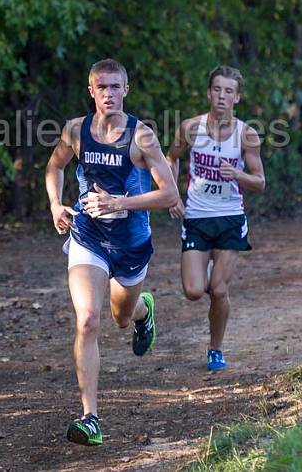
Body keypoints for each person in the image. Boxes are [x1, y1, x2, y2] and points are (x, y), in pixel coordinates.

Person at [45, 58, 179, 446]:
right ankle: (91, 417)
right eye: (101, 87)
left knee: (122, 317)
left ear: (126, 90)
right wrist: (56, 204)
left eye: (115, 87)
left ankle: (143, 310)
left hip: (131, 243)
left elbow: (169, 194)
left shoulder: (142, 137)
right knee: (88, 321)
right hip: (88, 237)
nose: (109, 94)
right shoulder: (75, 131)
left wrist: (122, 202)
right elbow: (53, 167)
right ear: (92, 92)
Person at [167, 65, 265, 371]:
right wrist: (172, 195)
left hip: (230, 218)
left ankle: (215, 349)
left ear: (237, 98)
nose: (222, 96)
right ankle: (207, 268)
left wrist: (237, 174)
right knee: (195, 291)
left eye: (229, 91)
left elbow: (260, 181)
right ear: (209, 93)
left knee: (219, 290)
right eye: (217, 89)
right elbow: (170, 158)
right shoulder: (190, 128)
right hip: (196, 216)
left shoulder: (246, 134)